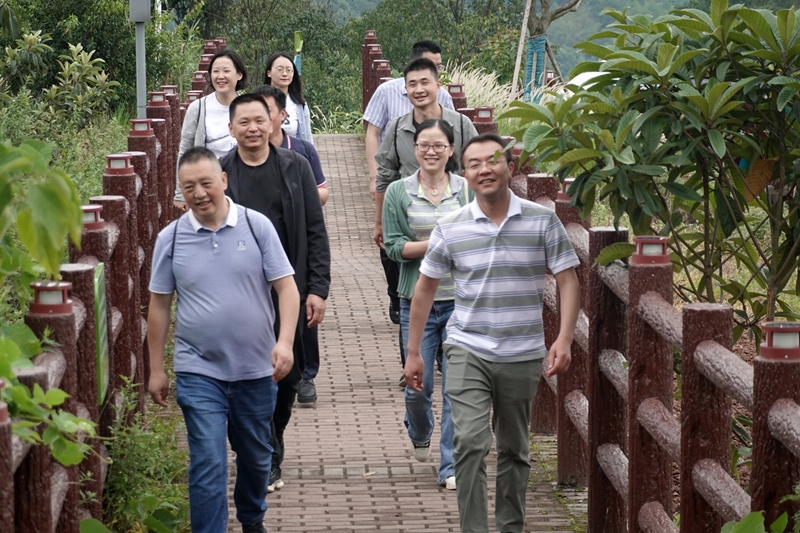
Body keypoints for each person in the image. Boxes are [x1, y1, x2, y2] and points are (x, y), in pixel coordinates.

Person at [404, 134, 581, 533]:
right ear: (464, 175)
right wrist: (413, 352)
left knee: (515, 449)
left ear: (510, 168)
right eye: (474, 164)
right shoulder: (451, 227)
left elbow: (568, 280)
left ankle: (510, 526)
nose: (484, 169)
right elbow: (425, 289)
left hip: (523, 352)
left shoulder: (541, 220)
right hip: (468, 347)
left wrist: (565, 338)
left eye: (493, 161)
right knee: (469, 443)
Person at [148, 146, 300, 533]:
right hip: (198, 368)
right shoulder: (171, 238)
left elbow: (287, 288)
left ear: (224, 180)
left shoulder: (256, 226)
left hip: (256, 368)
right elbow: (159, 305)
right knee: (208, 462)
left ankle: (252, 518)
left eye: (206, 183)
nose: (199, 194)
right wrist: (155, 369)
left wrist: (284, 343)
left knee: (256, 457)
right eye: (189, 187)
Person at [220, 93, 331, 492]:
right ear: (231, 128)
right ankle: (260, 455)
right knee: (245, 378)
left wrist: (317, 288)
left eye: (259, 120)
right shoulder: (222, 173)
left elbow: (315, 229)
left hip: (289, 291)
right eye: (244, 122)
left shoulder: (295, 166)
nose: (253, 128)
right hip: (239, 296)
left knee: (287, 378)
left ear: (273, 123)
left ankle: (271, 438)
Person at [374, 57, 478, 383]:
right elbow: (385, 175)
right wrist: (380, 221)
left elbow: (478, 167)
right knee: (409, 291)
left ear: (438, 85)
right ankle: (413, 362)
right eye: (412, 84)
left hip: (454, 212)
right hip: (410, 217)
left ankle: (448, 365)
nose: (419, 89)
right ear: (404, 90)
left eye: (425, 82)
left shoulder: (460, 124)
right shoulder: (397, 128)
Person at [382, 119, 471, 491]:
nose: (431, 151)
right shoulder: (398, 192)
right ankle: (419, 430)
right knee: (418, 387)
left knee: (456, 389)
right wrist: (440, 241)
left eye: (439, 145)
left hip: (460, 301)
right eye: (424, 145)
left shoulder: (466, 190)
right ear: (414, 149)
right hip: (415, 302)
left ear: (451, 150)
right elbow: (393, 246)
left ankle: (450, 466)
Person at [363, 40, 455, 328]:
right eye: (413, 82)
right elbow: (373, 133)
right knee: (398, 253)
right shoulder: (390, 102)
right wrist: (374, 180)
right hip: (404, 198)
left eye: (433, 73)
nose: (420, 88)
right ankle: (400, 299)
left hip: (448, 203)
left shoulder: (455, 117)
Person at [174, 48, 248, 210]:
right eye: (215, 71)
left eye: (226, 71)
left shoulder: (249, 106)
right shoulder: (198, 108)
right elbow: (185, 150)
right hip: (208, 187)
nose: (220, 76)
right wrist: (180, 194)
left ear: (239, 75)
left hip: (245, 183)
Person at [252, 84, 329, 206]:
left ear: (283, 114)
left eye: (267, 110)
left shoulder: (304, 151)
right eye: (256, 111)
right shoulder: (237, 155)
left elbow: (322, 192)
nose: (261, 117)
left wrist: (297, 194)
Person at [263, 53, 314, 145]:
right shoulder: (258, 101)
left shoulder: (300, 105)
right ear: (269, 73)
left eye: (289, 70)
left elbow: (307, 140)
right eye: (280, 69)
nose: (285, 74)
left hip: (293, 153)